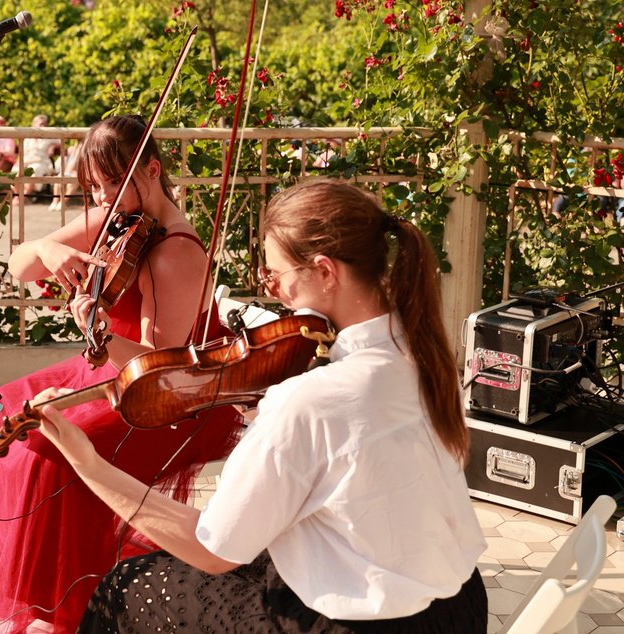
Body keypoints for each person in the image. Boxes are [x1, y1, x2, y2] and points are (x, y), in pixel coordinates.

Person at [32, 179, 489, 633]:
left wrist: (87, 463)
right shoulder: (423, 355)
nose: (273, 291)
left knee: (130, 584)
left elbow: (211, 550)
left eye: (277, 275)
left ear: (326, 272)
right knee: (265, 552)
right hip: (457, 609)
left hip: (363, 625)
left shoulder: (310, 399)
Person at [0, 114, 243, 633]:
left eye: (112, 182)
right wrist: (45, 248)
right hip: (107, 369)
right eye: (93, 185)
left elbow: (158, 372)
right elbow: (22, 265)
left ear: (151, 170)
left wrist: (96, 329)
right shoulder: (117, 217)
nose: (103, 196)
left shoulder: (176, 252)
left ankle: (54, 607)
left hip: (167, 397)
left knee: (51, 447)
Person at [14, 113, 59, 197]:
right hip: (26, 161)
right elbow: (22, 152)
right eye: (41, 124)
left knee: (33, 170)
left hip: (42, 162)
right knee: (15, 170)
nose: (43, 126)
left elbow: (61, 143)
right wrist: (18, 162)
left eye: (45, 124)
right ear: (34, 124)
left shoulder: (49, 136)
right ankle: (19, 196)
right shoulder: (27, 137)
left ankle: (22, 198)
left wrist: (53, 146)